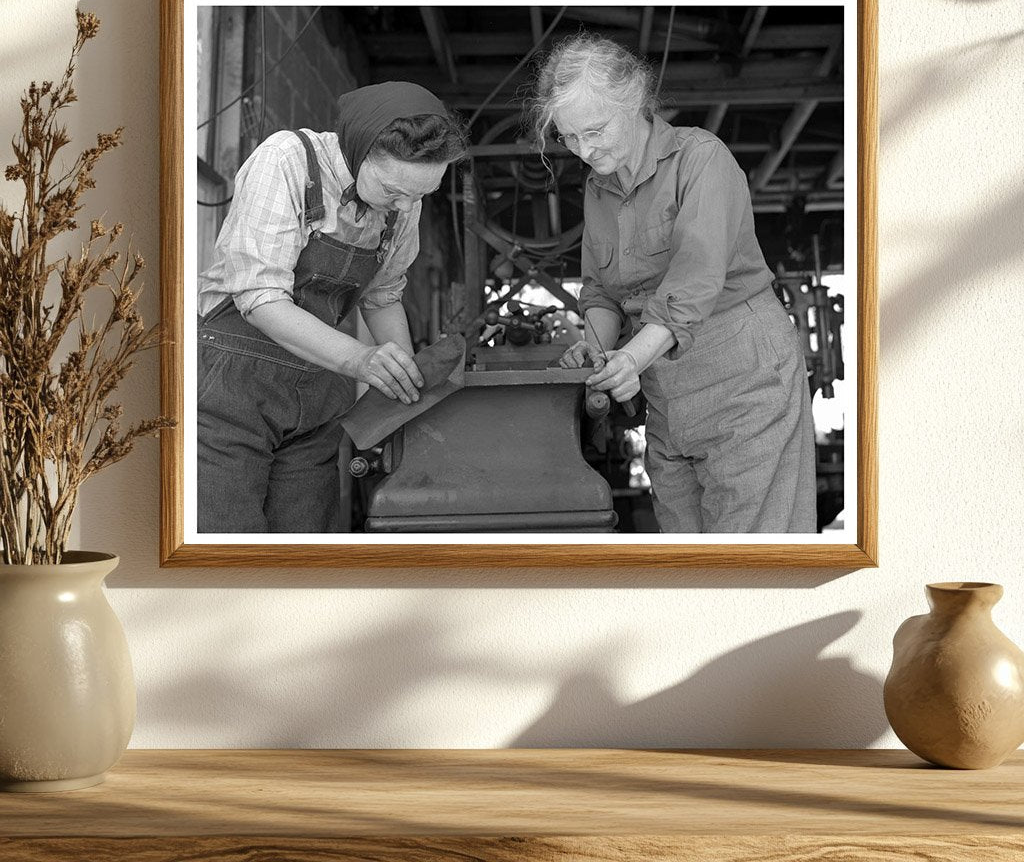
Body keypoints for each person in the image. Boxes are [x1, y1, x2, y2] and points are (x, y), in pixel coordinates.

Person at [531, 35, 816, 534]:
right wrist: (598, 349)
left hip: (744, 383)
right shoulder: (599, 190)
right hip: (667, 399)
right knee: (685, 555)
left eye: (595, 130)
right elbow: (601, 291)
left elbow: (692, 283)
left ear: (636, 97)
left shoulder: (701, 159)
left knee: (751, 562)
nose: (584, 149)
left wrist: (631, 359)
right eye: (569, 138)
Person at [197, 81, 468, 534]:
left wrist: (401, 386)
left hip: (317, 400)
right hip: (234, 388)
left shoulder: (404, 202)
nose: (406, 205)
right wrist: (362, 360)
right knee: (231, 549)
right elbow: (259, 298)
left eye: (422, 194)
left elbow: (382, 295)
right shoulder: (287, 160)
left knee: (305, 550)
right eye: (392, 190)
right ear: (361, 149)